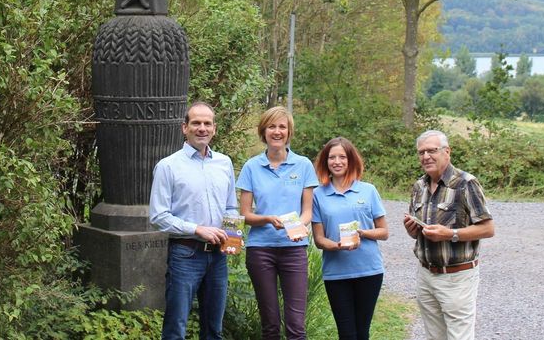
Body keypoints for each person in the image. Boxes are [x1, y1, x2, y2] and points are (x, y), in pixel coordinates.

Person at [149, 102, 238, 340]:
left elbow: (230, 207)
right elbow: (158, 216)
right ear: (184, 128)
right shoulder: (168, 166)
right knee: (176, 328)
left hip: (218, 256)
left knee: (213, 329)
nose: (202, 128)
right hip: (185, 255)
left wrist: (233, 237)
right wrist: (197, 229)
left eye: (207, 123)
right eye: (196, 123)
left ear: (214, 128)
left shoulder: (224, 163)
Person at [402, 129, 495, 340]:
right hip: (425, 274)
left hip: (457, 277)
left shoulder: (466, 183)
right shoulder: (419, 186)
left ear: (447, 152)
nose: (426, 157)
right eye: (421, 152)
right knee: (434, 337)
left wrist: (450, 234)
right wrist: (412, 230)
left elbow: (488, 229)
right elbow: (419, 233)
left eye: (432, 151)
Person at [236, 106, 318, 340]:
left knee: (295, 326)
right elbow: (245, 215)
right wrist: (267, 219)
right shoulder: (252, 166)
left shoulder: (303, 165)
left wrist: (299, 227)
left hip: (294, 251)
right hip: (261, 251)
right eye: (272, 126)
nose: (277, 131)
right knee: (270, 324)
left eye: (282, 126)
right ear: (264, 131)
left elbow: (307, 212)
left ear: (289, 131)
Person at [310, 137, 389, 340]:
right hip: (336, 274)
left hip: (369, 271)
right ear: (325, 162)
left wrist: (362, 233)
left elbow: (384, 232)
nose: (337, 161)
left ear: (350, 160)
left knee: (362, 332)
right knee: (346, 334)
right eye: (332, 157)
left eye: (342, 157)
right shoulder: (318, 195)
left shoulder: (368, 190)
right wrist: (337, 246)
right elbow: (319, 239)